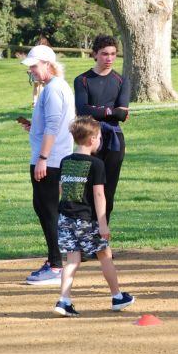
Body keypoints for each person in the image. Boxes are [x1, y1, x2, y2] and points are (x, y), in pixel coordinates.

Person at [52, 116, 135, 317]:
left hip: (65, 218)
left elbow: (62, 188)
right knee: (104, 254)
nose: (99, 141)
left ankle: (64, 300)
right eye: (98, 137)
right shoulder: (96, 164)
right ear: (91, 140)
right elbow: (99, 195)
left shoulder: (66, 161)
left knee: (72, 259)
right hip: (86, 219)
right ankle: (117, 297)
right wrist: (103, 224)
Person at [22, 46, 75, 285]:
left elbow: (54, 126)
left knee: (48, 210)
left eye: (34, 66)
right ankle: (54, 261)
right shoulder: (55, 87)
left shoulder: (53, 89)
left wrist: (43, 158)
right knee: (44, 209)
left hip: (50, 161)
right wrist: (33, 128)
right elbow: (53, 125)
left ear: (47, 64)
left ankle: (55, 265)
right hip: (52, 157)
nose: (32, 70)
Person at [74, 35, 130, 225]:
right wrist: (110, 111)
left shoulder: (121, 81)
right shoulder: (82, 80)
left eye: (113, 54)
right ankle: (85, 238)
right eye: (105, 54)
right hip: (89, 139)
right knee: (87, 189)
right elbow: (82, 109)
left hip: (114, 140)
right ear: (95, 54)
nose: (109, 58)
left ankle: (102, 237)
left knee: (108, 190)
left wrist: (98, 111)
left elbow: (122, 115)